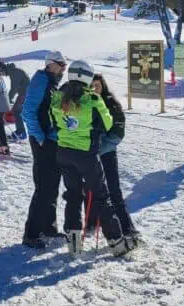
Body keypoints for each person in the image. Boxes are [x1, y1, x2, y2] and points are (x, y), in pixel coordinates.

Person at [51, 60, 132, 257]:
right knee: (101, 197)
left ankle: (74, 244)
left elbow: (54, 122)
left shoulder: (57, 97)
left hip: (63, 152)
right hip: (86, 154)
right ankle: (116, 241)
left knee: (73, 195)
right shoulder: (93, 99)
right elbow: (107, 123)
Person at [22, 51, 67, 249]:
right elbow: (28, 111)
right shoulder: (41, 79)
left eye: (65, 64)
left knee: (52, 185)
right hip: (42, 141)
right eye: (60, 64)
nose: (63, 68)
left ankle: (48, 227)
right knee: (44, 187)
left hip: (51, 139)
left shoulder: (51, 82)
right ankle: (31, 233)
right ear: (50, 64)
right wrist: (39, 137)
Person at [88, 74, 138, 239]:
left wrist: (102, 146)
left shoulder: (110, 103)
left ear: (103, 86)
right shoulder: (85, 103)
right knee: (91, 189)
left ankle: (127, 227)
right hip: (89, 153)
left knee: (113, 189)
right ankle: (91, 222)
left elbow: (118, 131)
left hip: (106, 152)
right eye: (92, 85)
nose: (95, 89)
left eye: (98, 85)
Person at [0, 61, 30, 140]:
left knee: (16, 111)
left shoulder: (14, 72)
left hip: (25, 93)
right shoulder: (13, 71)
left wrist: (7, 100)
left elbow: (14, 89)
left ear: (3, 69)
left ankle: (21, 132)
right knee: (18, 111)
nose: (2, 75)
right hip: (24, 93)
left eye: (1, 73)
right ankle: (21, 131)